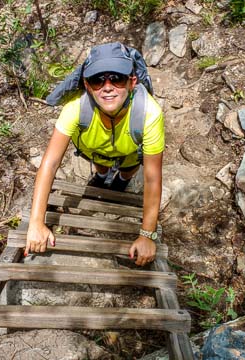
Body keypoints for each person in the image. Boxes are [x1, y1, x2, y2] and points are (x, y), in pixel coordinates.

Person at [25, 42, 165, 266]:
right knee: (100, 166)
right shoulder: (75, 109)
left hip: (129, 152)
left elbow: (152, 177)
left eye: (116, 78)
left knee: (129, 170)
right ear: (87, 85)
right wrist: (36, 223)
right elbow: (49, 164)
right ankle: (101, 177)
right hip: (95, 151)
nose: (107, 86)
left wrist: (147, 235)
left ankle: (121, 180)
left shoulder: (149, 114)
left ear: (132, 81)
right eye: (98, 80)